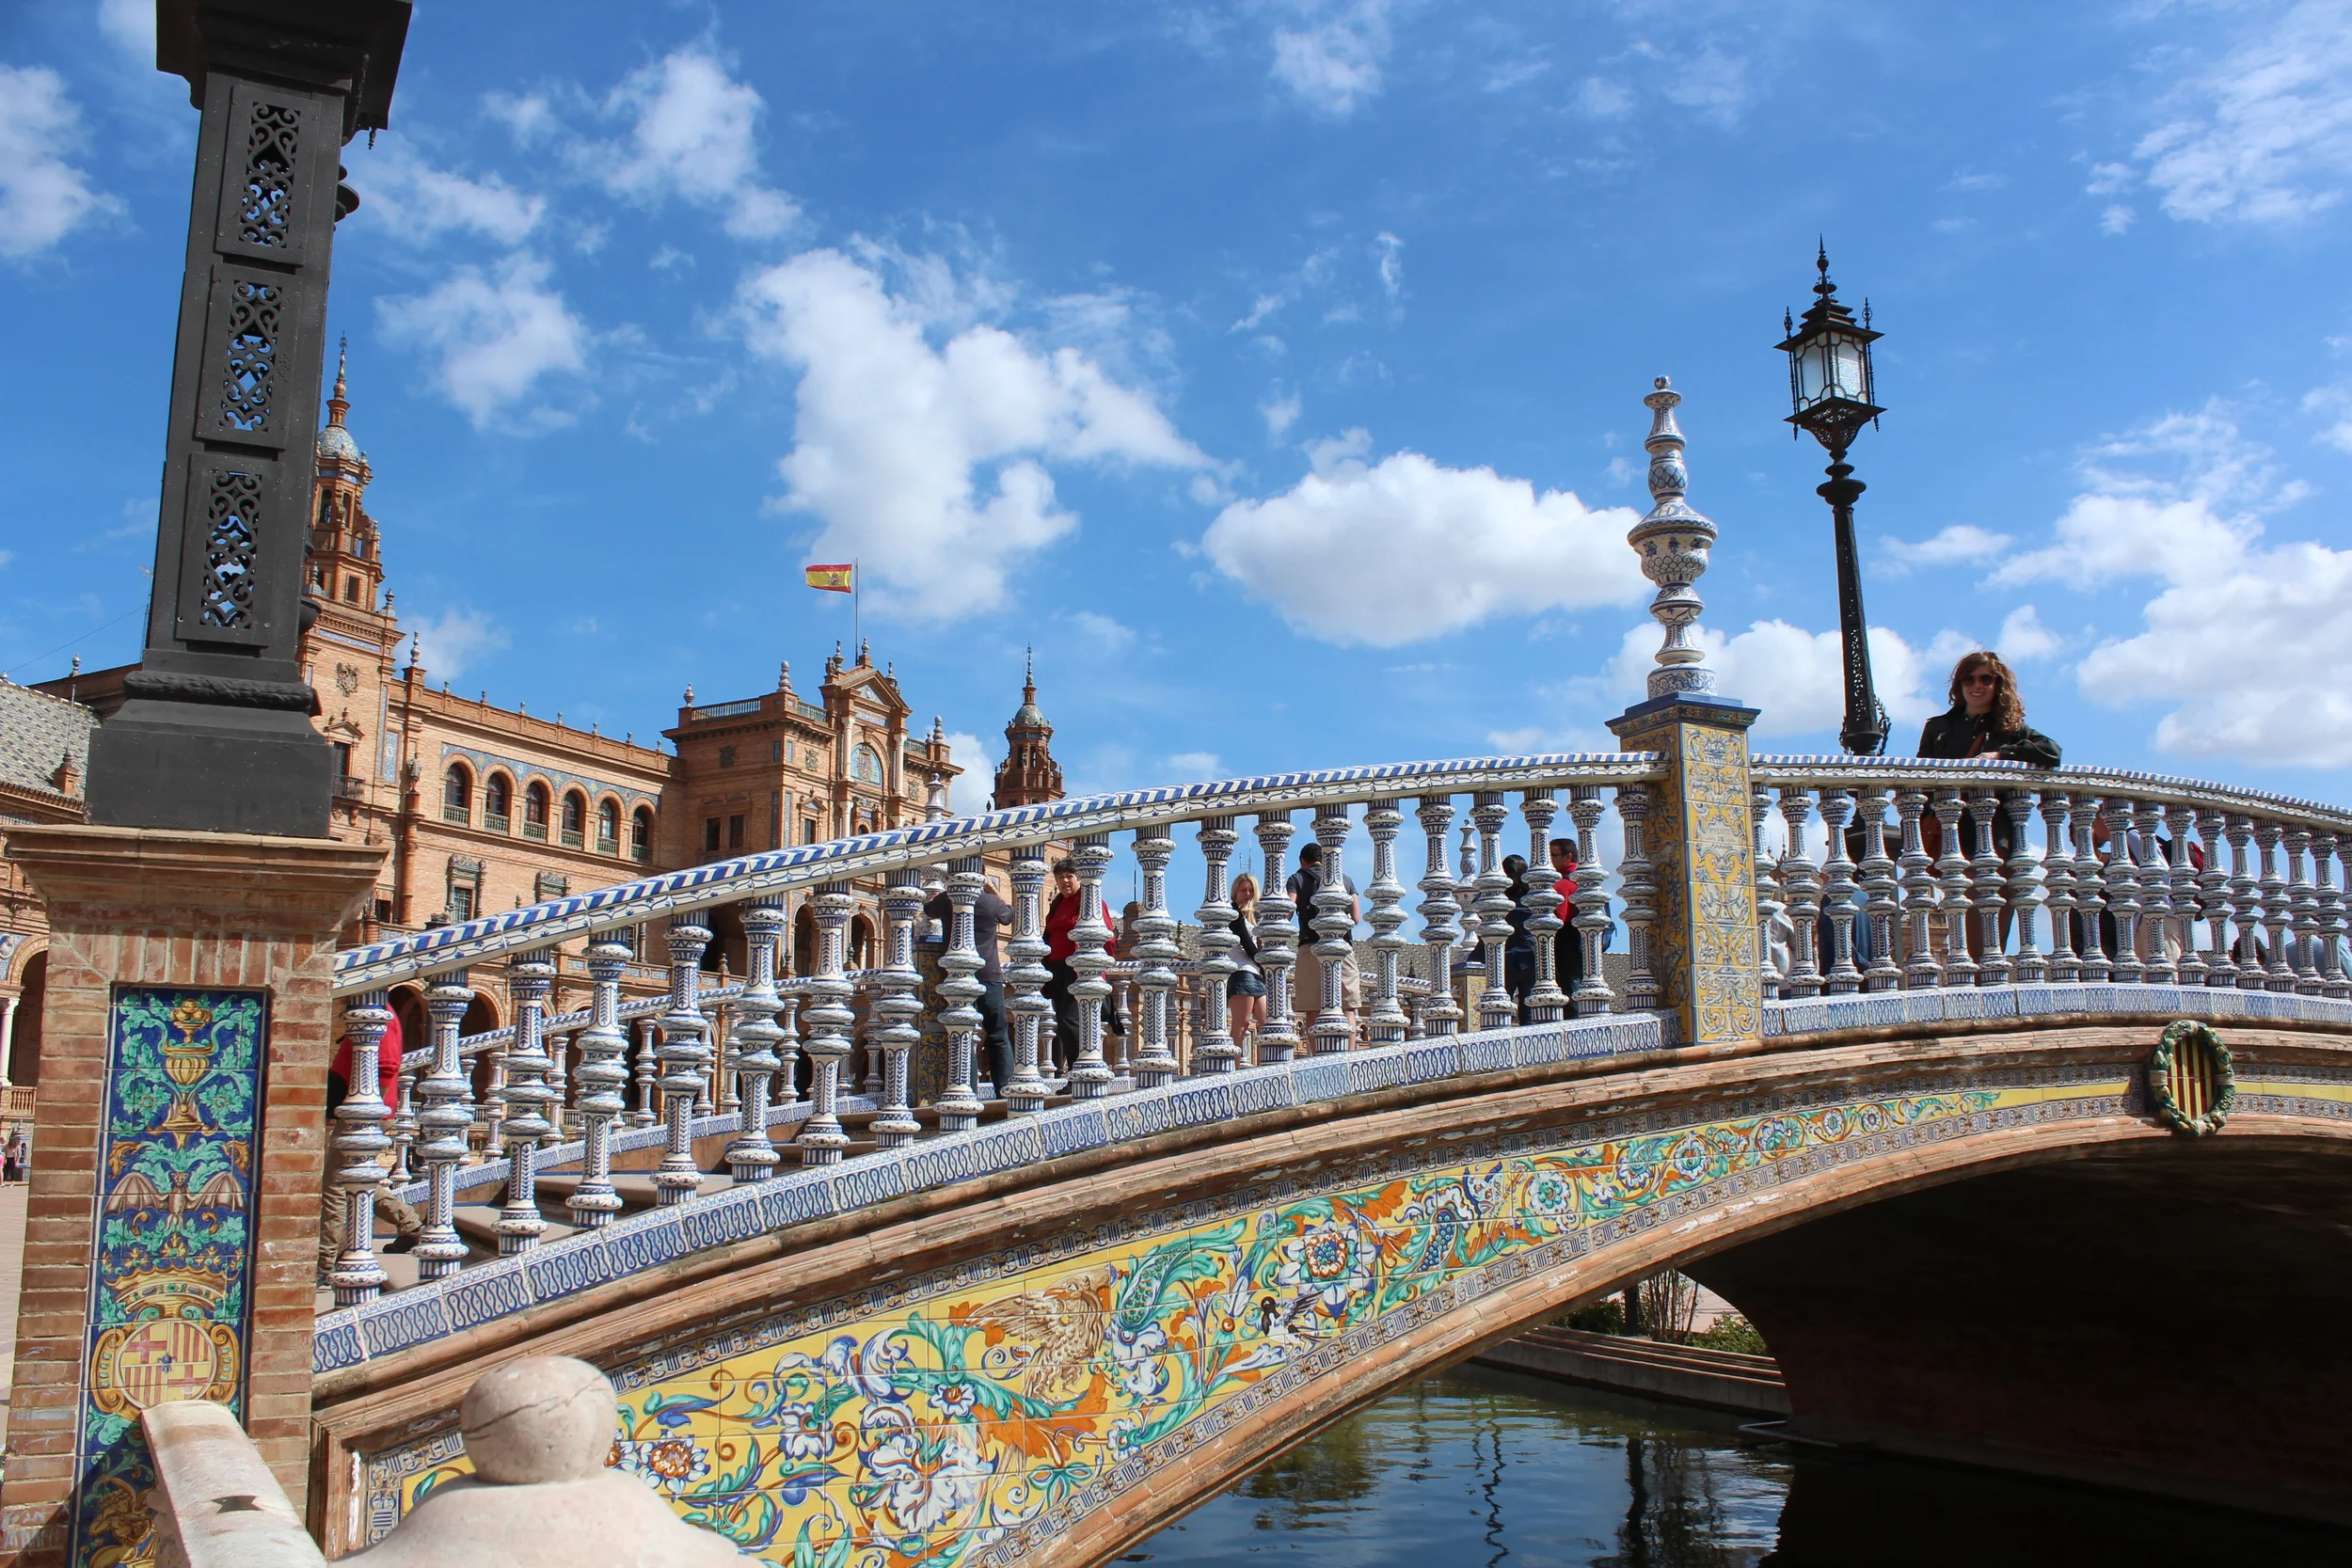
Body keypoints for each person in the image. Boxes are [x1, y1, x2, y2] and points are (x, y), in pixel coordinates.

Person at [317, 1010, 425, 1278]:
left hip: (364, 1113)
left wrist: (364, 1110)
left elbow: (386, 1065)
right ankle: (411, 1226)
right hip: (363, 1111)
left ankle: (325, 1259)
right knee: (359, 1179)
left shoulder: (379, 1012)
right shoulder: (373, 1010)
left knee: (335, 1183)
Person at [924, 874, 1015, 1098]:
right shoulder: (990, 902)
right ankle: (1004, 1089)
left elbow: (928, 909)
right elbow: (1010, 915)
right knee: (998, 1033)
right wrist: (993, 888)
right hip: (989, 974)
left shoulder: (947, 900)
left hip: (956, 976)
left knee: (963, 1031)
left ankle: (966, 1089)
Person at [1287, 843, 1361, 1037]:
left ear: (1303, 861)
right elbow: (1356, 917)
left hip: (1310, 945)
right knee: (1347, 1007)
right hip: (1341, 945)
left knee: (1313, 1008)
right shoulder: (1345, 880)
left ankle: (1315, 1058)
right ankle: (1351, 1056)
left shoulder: (1297, 878)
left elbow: (1286, 910)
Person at [1042, 859, 1083, 1074]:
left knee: (1070, 1019)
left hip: (1076, 968)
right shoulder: (1057, 903)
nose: (1065, 881)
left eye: (1069, 876)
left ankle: (1079, 1072)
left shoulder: (1087, 900)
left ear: (1078, 878)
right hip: (1056, 967)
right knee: (1061, 1020)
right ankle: (1068, 1073)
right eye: (1060, 878)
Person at [1228, 872, 1268, 1051]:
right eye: (1243, 890)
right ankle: (1232, 1069)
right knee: (1240, 1026)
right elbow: (1246, 942)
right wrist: (1265, 963)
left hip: (1255, 974)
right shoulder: (1234, 913)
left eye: (1251, 890)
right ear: (1235, 891)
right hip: (1242, 972)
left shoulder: (1254, 916)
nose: (1247, 894)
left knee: (1267, 1023)